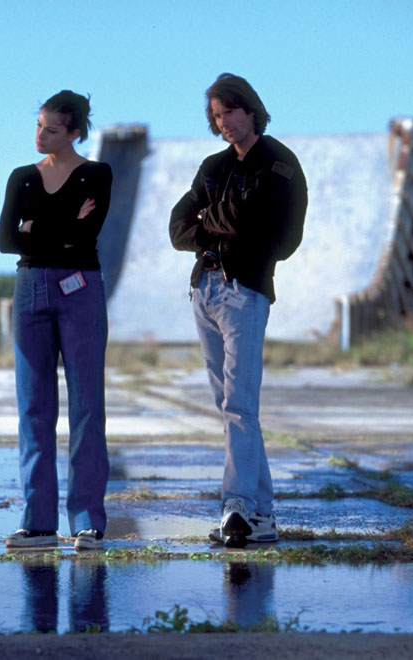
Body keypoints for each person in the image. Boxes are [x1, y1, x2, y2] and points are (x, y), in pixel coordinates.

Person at [168, 73, 307, 548]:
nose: (223, 122)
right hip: (204, 289)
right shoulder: (213, 166)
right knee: (230, 408)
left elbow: (281, 237)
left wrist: (217, 222)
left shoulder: (279, 164)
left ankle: (237, 507)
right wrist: (219, 228)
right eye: (216, 115)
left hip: (244, 290)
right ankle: (261, 515)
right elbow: (178, 227)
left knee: (241, 406)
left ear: (250, 109)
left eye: (229, 111)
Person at [0, 90, 113, 552]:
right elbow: (7, 239)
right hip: (29, 289)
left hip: (81, 287)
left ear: (75, 132)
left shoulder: (97, 174)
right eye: (39, 124)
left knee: (86, 405)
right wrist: (62, 225)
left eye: (50, 128)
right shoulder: (22, 178)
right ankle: (38, 524)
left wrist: (36, 228)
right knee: (33, 408)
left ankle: (87, 522)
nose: (40, 134)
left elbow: (87, 233)